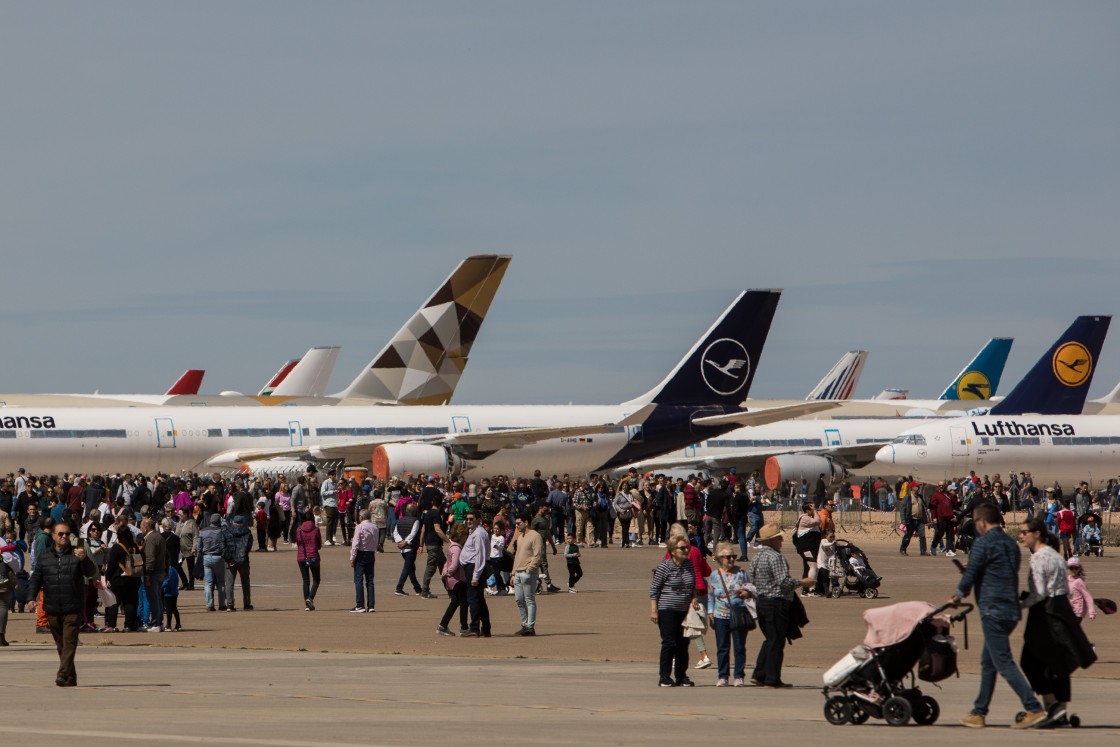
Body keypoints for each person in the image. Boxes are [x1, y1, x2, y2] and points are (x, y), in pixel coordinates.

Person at [951, 503, 1046, 729]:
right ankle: (979, 711)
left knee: (1002, 661)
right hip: (1010, 609)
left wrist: (957, 595)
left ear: (982, 522)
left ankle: (1033, 707)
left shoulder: (982, 543)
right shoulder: (1011, 544)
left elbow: (972, 574)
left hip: (993, 609)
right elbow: (999, 569)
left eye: (974, 523)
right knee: (988, 662)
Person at [1018, 517, 1096, 728]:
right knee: (1057, 664)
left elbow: (1040, 593)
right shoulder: (1055, 555)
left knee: (1030, 662)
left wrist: (1019, 606)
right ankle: (1058, 711)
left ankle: (1053, 707)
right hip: (1062, 611)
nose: (1021, 535)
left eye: (1024, 532)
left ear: (1036, 534)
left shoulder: (1038, 558)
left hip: (1045, 614)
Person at [26, 522, 98, 686]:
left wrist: (84, 558)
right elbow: (36, 578)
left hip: (73, 606)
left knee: (70, 641)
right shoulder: (45, 556)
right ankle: (71, 677)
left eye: (67, 533)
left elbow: (91, 572)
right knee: (61, 644)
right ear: (53, 536)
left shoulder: (77, 554)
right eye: (60, 534)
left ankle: (62, 673)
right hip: (52, 606)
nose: (64, 536)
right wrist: (31, 597)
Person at [749, 524, 811, 687]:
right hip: (776, 603)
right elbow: (783, 583)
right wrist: (802, 582)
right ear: (772, 540)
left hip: (761, 601)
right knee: (776, 641)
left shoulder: (756, 557)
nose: (782, 540)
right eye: (779, 537)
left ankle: (760, 674)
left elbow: (753, 580)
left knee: (770, 639)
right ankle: (772, 678)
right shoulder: (775, 557)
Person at [650, 535, 697, 687]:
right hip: (667, 609)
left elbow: (692, 586)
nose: (686, 550)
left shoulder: (689, 565)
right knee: (669, 643)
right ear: (672, 550)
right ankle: (664, 676)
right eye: (682, 548)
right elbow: (654, 589)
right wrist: (654, 610)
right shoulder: (665, 566)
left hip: (684, 610)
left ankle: (681, 675)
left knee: (683, 644)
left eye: (687, 547)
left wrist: (694, 598)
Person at [707, 542, 753, 687]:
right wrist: (710, 611)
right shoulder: (714, 575)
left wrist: (745, 593)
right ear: (720, 558)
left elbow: (750, 589)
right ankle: (723, 676)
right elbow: (710, 595)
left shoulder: (741, 572)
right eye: (728, 557)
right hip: (720, 615)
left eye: (733, 556)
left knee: (739, 646)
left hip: (738, 614)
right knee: (722, 647)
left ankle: (739, 675)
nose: (732, 559)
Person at [510, 512, 544, 635]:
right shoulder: (520, 537)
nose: (517, 526)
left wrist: (529, 569)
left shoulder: (535, 536)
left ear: (526, 522)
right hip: (518, 573)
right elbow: (517, 556)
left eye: (519, 523)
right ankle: (524, 624)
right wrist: (513, 573)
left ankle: (530, 626)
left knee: (529, 599)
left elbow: (538, 555)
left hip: (528, 572)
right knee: (519, 600)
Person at [459, 511, 492, 637]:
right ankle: (486, 628)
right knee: (479, 599)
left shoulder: (478, 533)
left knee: (473, 599)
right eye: (467, 519)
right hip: (471, 567)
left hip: (474, 568)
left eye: (471, 519)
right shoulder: (474, 532)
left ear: (478, 519)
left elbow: (480, 555)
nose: (468, 521)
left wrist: (476, 576)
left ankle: (474, 628)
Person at [436, 522, 469, 636]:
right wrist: (448, 572)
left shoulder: (452, 547)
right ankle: (464, 627)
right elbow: (454, 565)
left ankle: (443, 625)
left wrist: (445, 572)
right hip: (457, 579)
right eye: (466, 535)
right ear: (462, 535)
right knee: (464, 602)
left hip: (450, 580)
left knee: (455, 602)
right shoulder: (457, 549)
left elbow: (447, 562)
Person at [140, 517, 168, 632]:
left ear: (146, 528)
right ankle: (158, 621)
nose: (140, 529)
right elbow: (167, 555)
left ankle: (156, 622)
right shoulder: (159, 537)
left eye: (141, 527)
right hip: (160, 571)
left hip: (154, 573)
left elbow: (150, 558)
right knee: (157, 598)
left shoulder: (151, 539)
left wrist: (147, 575)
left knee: (153, 599)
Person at [222, 514, 254, 612]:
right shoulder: (247, 532)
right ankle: (247, 603)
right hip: (243, 560)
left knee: (229, 583)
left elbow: (223, 547)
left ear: (233, 522)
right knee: (245, 582)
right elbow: (248, 547)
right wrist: (242, 556)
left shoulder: (226, 531)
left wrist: (230, 560)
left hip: (230, 561)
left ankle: (230, 604)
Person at [349, 509, 378, 612]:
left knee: (358, 579)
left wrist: (352, 558)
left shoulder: (359, 527)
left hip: (361, 553)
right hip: (371, 553)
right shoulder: (375, 527)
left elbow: (355, 543)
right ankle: (371, 605)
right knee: (370, 580)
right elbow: (376, 541)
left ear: (361, 517)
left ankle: (360, 604)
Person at [419, 500, 448, 599]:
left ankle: (451, 590)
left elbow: (423, 530)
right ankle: (425, 591)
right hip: (434, 544)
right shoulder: (436, 514)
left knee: (444, 566)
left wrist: (421, 544)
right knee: (431, 568)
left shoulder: (428, 513)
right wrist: (448, 541)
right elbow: (437, 529)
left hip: (431, 544)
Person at [198, 515, 227, 613]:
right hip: (218, 557)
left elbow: (199, 546)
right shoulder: (221, 531)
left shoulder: (203, 531)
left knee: (208, 583)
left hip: (206, 556)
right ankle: (222, 604)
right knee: (221, 582)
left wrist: (199, 556)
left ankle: (209, 604)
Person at [392, 503, 423, 597]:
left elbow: (395, 533)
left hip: (403, 548)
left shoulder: (400, 520)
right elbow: (413, 533)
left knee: (410, 568)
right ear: (414, 511)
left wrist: (400, 542)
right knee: (407, 568)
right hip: (410, 547)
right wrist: (405, 542)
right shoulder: (416, 521)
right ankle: (399, 588)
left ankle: (418, 589)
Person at [792, 502, 821, 597]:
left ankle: (805, 589)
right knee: (814, 566)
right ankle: (811, 589)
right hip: (806, 548)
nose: (813, 510)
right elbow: (817, 521)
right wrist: (815, 511)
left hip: (809, 547)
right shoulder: (805, 518)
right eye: (811, 508)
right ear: (807, 510)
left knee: (808, 567)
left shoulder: (808, 518)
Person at [296, 510, 323, 611]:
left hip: (301, 556)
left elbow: (298, 542)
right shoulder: (316, 530)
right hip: (313, 556)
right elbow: (319, 544)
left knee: (305, 580)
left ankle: (307, 602)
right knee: (316, 579)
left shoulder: (298, 530)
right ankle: (310, 598)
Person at [1066, 557, 1096, 621]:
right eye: (1071, 568)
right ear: (1068, 568)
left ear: (1079, 568)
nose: (1074, 570)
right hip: (1069, 610)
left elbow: (1088, 597)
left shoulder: (1079, 582)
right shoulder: (1067, 579)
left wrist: (1092, 612)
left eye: (1076, 568)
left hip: (1077, 612)